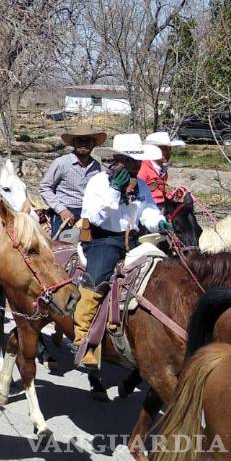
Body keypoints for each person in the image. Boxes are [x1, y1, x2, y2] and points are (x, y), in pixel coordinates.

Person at [74, 133, 173, 370]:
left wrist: (158, 221)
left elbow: (147, 209)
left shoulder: (139, 186)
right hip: (102, 239)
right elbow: (95, 216)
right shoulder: (98, 183)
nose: (138, 166)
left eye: (139, 162)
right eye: (133, 161)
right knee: (96, 281)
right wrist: (115, 192)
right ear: (119, 160)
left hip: (132, 240)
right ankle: (83, 337)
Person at [38, 124, 106, 235]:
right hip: (65, 211)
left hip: (90, 213)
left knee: (90, 245)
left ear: (93, 144)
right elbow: (45, 188)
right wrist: (61, 210)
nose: (83, 144)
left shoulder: (98, 167)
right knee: (65, 246)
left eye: (87, 141)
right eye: (79, 140)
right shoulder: (61, 163)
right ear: (74, 143)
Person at [140, 131, 186, 204]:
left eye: (169, 149)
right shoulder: (143, 168)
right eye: (164, 149)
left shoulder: (162, 169)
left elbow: (161, 195)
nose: (168, 153)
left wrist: (173, 195)